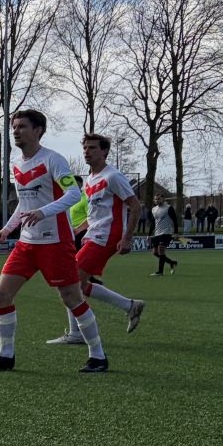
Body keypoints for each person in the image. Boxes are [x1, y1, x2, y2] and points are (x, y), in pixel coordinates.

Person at [0, 110, 109, 374]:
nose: (15, 131)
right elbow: (24, 205)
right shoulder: (17, 165)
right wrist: (7, 229)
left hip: (55, 242)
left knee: (71, 297)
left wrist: (43, 212)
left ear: (38, 130)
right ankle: (6, 355)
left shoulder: (54, 160)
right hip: (26, 244)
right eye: (13, 127)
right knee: (1, 295)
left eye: (22, 126)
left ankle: (98, 356)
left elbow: (73, 195)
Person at [47, 133, 145, 344]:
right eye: (85, 148)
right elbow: (95, 214)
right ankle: (130, 306)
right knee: (77, 285)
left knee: (68, 281)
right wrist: (80, 231)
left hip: (108, 236)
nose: (87, 152)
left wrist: (127, 238)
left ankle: (77, 333)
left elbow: (135, 206)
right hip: (95, 235)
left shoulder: (113, 177)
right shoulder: (90, 179)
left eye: (92, 148)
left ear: (105, 152)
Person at [150, 196, 179, 275]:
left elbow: (175, 220)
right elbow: (153, 222)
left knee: (161, 250)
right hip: (156, 233)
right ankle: (171, 262)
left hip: (166, 232)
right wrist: (149, 235)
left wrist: (176, 232)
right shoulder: (154, 209)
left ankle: (160, 272)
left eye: (159, 199)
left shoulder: (169, 208)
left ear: (163, 199)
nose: (157, 200)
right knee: (155, 252)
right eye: (155, 199)